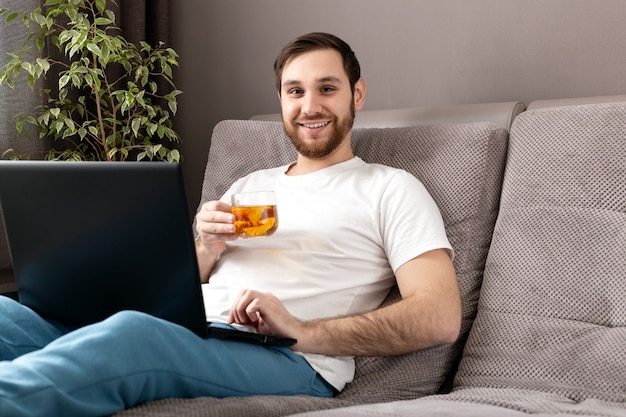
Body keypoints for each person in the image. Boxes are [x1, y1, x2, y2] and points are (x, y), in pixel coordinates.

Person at [0, 32, 461, 416]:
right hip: (185, 327)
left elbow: (439, 317)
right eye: (295, 91)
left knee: (133, 335)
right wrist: (204, 248)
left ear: (356, 93)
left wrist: (302, 329)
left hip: (287, 358)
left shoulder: (391, 189)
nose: (310, 106)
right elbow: (175, 289)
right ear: (281, 99)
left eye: (327, 88)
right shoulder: (250, 183)